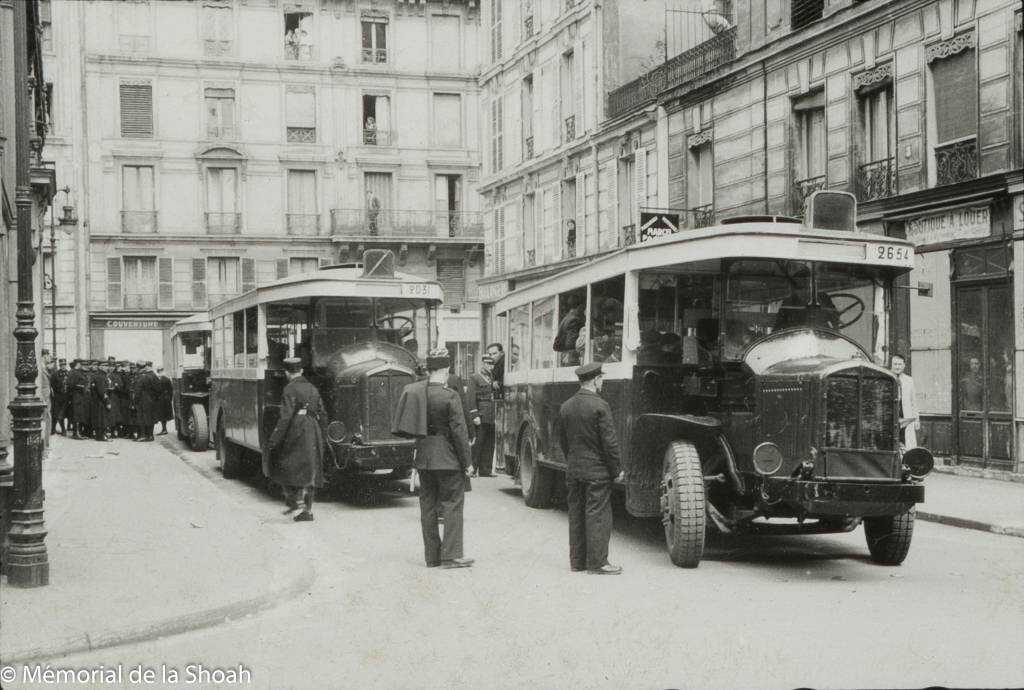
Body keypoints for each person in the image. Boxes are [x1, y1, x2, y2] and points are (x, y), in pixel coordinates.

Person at [392, 347, 474, 568]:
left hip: (424, 457)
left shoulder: (418, 392)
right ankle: (451, 555)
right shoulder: (450, 396)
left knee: (427, 507)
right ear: (446, 369)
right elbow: (459, 431)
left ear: (429, 370)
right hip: (448, 458)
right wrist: (468, 462)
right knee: (452, 504)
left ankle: (432, 557)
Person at [557, 362, 624, 575]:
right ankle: (598, 563)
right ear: (595, 380)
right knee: (598, 516)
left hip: (574, 470)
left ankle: (577, 562)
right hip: (597, 472)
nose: (602, 381)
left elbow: (563, 440)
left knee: (576, 514)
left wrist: (573, 461)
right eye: (601, 378)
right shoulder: (600, 406)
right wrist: (617, 470)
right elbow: (610, 444)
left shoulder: (566, 406)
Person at [267, 357, 328, 522]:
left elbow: (285, 417)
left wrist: (274, 439)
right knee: (311, 470)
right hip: (313, 429)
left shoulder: (289, 389)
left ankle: (297, 505)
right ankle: (307, 510)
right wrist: (321, 434)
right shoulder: (313, 388)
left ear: (287, 373)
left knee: (289, 467)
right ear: (301, 371)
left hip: (296, 430)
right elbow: (322, 412)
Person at [467, 356, 496, 477]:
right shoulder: (474, 377)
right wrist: (474, 414)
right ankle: (473, 469)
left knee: (489, 443)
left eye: (492, 364)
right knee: (478, 443)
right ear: (483, 364)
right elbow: (470, 397)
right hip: (481, 413)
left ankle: (486, 470)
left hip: (491, 414)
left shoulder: (491, 378)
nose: (490, 367)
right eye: (488, 364)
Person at [890, 353, 919, 450]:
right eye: (895, 364)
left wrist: (916, 419)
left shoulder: (909, 380)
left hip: (906, 414)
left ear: (904, 365)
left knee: (906, 441)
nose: (897, 367)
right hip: (892, 413)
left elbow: (913, 401)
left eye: (899, 364)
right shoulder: (887, 378)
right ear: (891, 365)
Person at [68, 359, 89, 439]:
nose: (83, 365)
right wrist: (79, 386)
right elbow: (70, 384)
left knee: (79, 415)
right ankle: (76, 433)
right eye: (81, 364)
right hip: (75, 396)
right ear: (78, 364)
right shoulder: (72, 372)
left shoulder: (79, 372)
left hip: (80, 396)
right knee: (76, 415)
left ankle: (78, 432)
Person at [51, 358, 70, 435]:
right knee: (56, 413)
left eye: (64, 365)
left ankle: (63, 429)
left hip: (66, 397)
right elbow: (52, 385)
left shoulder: (68, 374)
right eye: (62, 365)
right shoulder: (56, 374)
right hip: (57, 396)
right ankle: (54, 429)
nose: (63, 366)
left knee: (62, 413)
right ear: (60, 365)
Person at [156, 366, 174, 435]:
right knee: (163, 415)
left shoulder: (161, 379)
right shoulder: (166, 379)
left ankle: (164, 429)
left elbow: (170, 390)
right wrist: (170, 399)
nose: (159, 372)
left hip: (162, 399)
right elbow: (171, 390)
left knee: (162, 415)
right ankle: (164, 429)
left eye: (159, 371)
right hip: (165, 399)